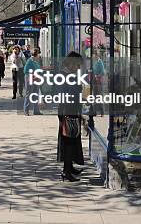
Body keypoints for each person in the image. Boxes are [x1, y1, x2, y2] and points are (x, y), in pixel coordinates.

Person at [57, 51, 85, 182]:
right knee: (68, 141)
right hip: (68, 111)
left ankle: (69, 167)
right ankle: (66, 172)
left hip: (71, 110)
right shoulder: (64, 75)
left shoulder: (69, 74)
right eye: (77, 65)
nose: (78, 68)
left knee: (72, 140)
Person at [23, 48, 42, 115]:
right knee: (29, 94)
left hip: (36, 78)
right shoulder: (30, 61)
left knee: (35, 94)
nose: (39, 55)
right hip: (30, 78)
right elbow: (25, 71)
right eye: (39, 54)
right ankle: (26, 111)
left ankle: (36, 111)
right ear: (37, 54)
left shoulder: (36, 61)